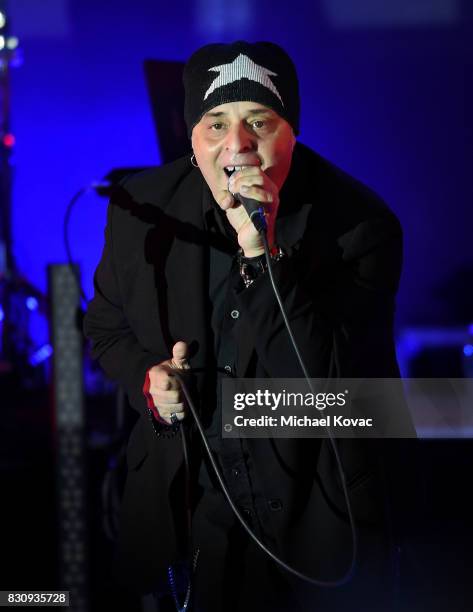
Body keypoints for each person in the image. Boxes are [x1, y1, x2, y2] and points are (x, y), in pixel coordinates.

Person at [84, 40, 409, 611]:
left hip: (315, 514)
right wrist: (151, 383)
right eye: (215, 124)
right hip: (193, 515)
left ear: (292, 130)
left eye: (259, 121)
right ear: (191, 135)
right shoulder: (142, 211)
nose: (237, 145)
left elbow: (337, 394)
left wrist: (263, 254)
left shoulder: (360, 226)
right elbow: (106, 329)